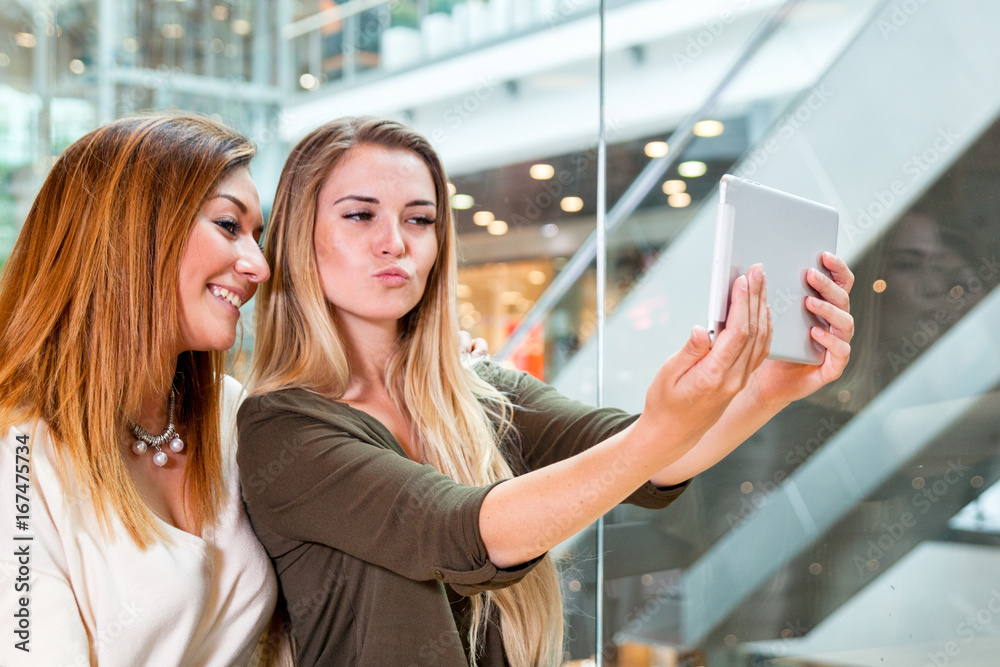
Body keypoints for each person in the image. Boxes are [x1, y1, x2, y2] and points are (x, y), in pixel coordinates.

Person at [237, 117, 854, 666]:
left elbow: (644, 460)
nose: (395, 241)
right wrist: (660, 429)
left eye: (419, 219)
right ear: (298, 237)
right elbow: (464, 532)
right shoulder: (280, 428)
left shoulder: (478, 389)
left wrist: (770, 387)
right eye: (360, 214)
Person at [0, 115, 279, 666]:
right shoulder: (19, 455)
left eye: (257, 236)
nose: (259, 266)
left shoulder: (228, 415)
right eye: (229, 225)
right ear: (132, 230)